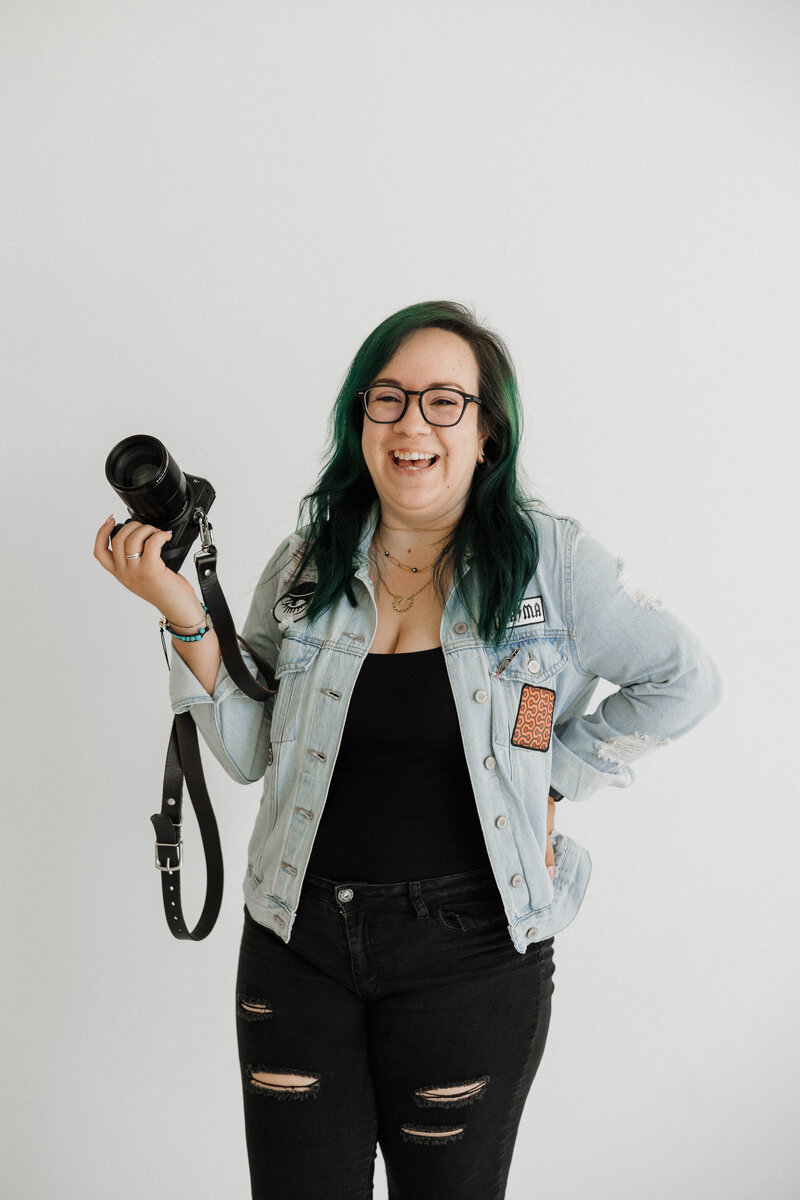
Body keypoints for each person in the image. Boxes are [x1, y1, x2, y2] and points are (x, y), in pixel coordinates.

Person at [94, 300, 722, 1199]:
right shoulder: (308, 561)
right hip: (294, 938)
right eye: (386, 399)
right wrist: (183, 615)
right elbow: (245, 753)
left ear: (486, 433)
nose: (410, 423)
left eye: (442, 401)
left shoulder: (551, 563)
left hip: (470, 954)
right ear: (360, 423)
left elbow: (684, 682)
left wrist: (557, 780)